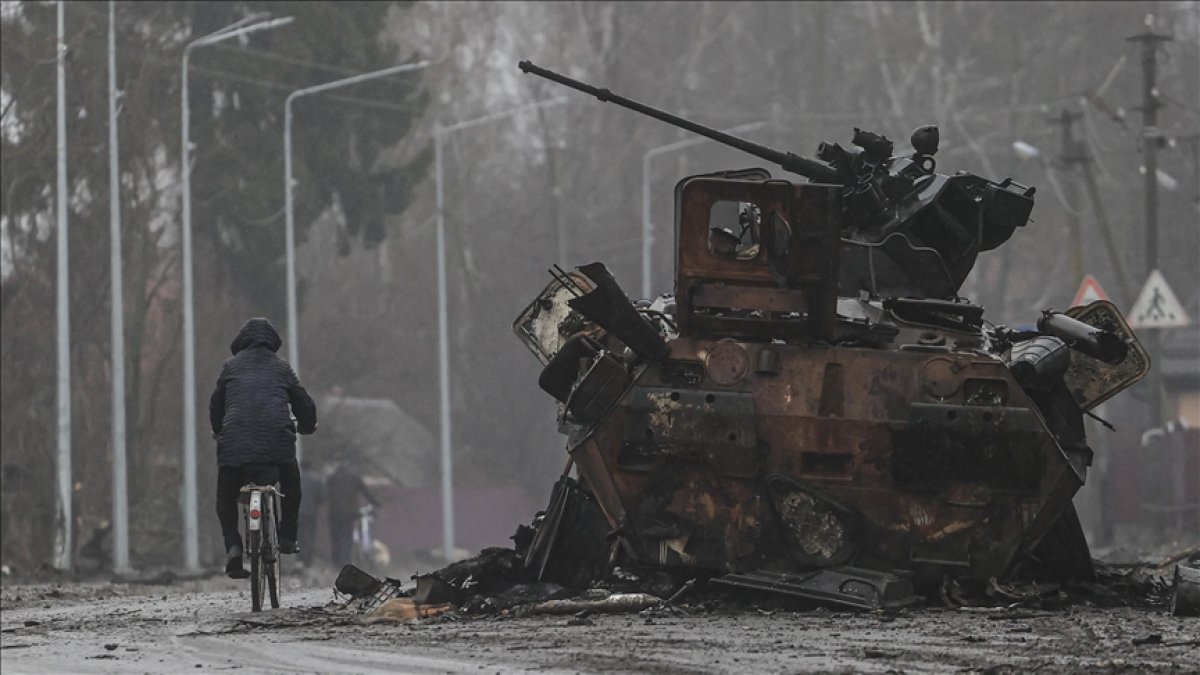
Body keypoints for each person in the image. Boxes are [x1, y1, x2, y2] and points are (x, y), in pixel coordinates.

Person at [210, 318, 317, 578]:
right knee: (291, 483)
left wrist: (219, 430)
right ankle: (288, 537)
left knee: (225, 496)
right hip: (276, 445)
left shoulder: (230, 367)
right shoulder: (281, 368)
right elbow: (302, 402)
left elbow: (216, 405)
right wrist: (307, 425)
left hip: (235, 446)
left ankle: (233, 547)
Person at [325, 461, 379, 565]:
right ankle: (345, 561)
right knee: (346, 537)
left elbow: (324, 493)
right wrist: (376, 503)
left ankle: (336, 562)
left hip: (334, 512)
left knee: (335, 537)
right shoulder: (354, 478)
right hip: (349, 513)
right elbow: (366, 491)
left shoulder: (331, 479)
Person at [297, 459, 325, 568]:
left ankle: (300, 559)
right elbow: (321, 497)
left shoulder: (296, 479)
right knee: (310, 536)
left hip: (298, 511)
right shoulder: (316, 480)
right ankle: (308, 560)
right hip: (312, 512)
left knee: (300, 535)